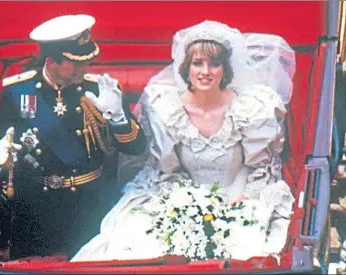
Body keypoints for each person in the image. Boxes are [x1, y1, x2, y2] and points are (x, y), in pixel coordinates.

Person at [70, 20, 295, 262]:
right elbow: (166, 170)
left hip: (238, 199)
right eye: (198, 63)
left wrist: (228, 208)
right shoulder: (165, 107)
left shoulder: (252, 108)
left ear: (226, 69)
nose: (205, 72)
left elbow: (260, 171)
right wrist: (183, 208)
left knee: (243, 248)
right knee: (138, 241)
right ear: (186, 68)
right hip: (181, 197)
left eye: (214, 64)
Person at [0, 14, 147, 260]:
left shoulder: (98, 89)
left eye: (86, 61)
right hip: (35, 210)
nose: (85, 68)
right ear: (52, 62)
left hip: (90, 205)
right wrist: (3, 159)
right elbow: (4, 147)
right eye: (77, 63)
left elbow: (136, 147)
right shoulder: (17, 91)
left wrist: (117, 118)